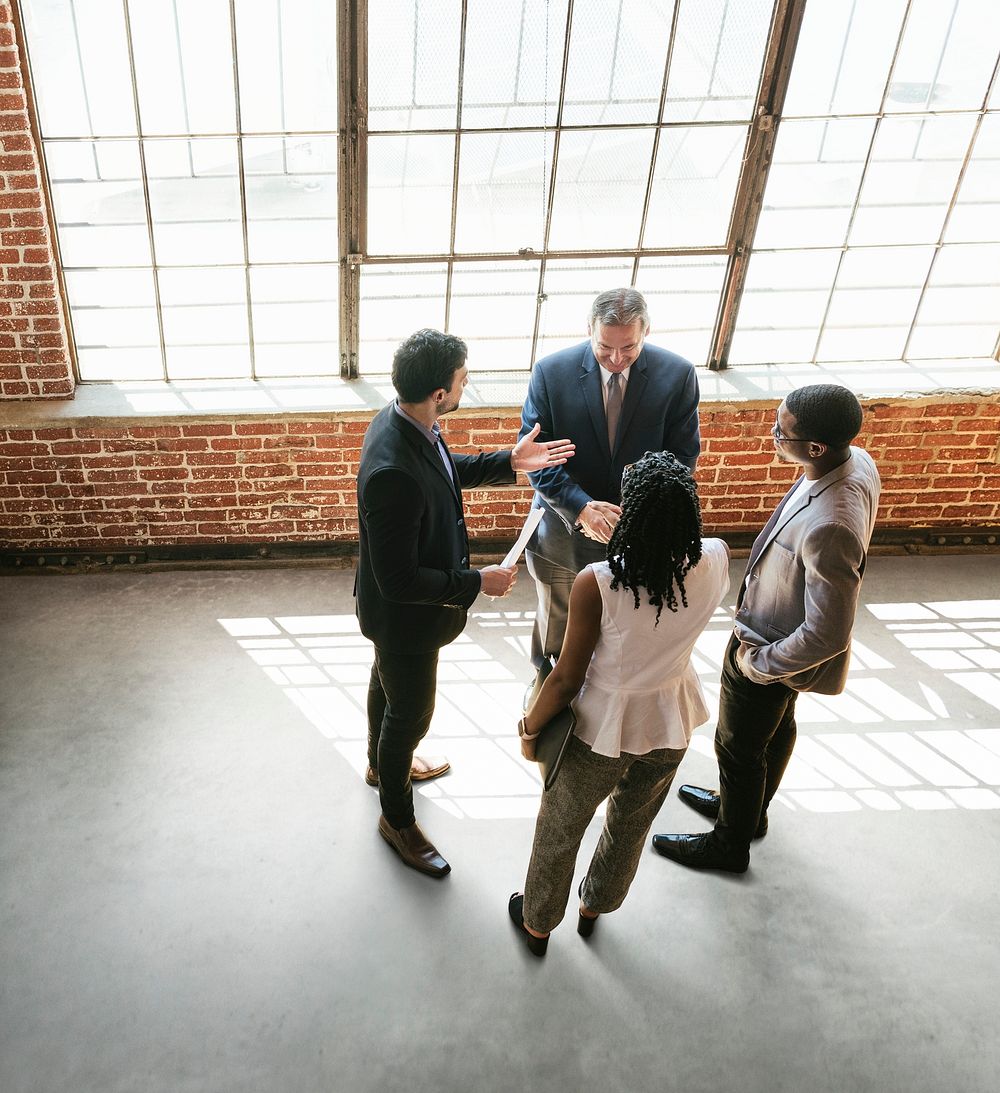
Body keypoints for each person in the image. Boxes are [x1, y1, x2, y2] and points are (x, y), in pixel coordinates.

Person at [356, 328, 574, 879]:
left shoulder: (407, 419)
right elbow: (399, 580)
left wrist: (512, 461)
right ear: (436, 394)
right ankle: (396, 819)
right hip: (406, 619)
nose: (465, 385)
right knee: (411, 713)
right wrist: (478, 582)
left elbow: (448, 475)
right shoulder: (392, 471)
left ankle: (382, 767)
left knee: (386, 683)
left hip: (402, 622)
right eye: (460, 380)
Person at [507, 452, 730, 956]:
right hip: (670, 720)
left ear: (632, 514)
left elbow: (565, 679)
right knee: (630, 824)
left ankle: (538, 923)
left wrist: (529, 725)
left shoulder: (600, 582)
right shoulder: (715, 556)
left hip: (600, 729)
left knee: (562, 825)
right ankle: (595, 907)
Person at [652, 384, 880, 874]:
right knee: (776, 729)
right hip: (775, 627)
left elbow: (828, 633)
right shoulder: (854, 460)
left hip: (771, 646)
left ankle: (729, 843)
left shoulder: (831, 524)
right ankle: (749, 813)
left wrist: (759, 665)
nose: (773, 434)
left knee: (737, 748)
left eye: (784, 430)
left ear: (815, 447)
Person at [519, 287, 701, 676]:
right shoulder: (550, 373)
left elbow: (682, 459)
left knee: (626, 634)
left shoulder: (679, 374)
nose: (617, 360)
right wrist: (581, 507)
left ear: (646, 331)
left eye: (629, 348)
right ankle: (547, 706)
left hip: (641, 535)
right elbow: (535, 459)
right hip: (562, 535)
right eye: (605, 348)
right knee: (557, 636)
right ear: (589, 329)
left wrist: (636, 514)